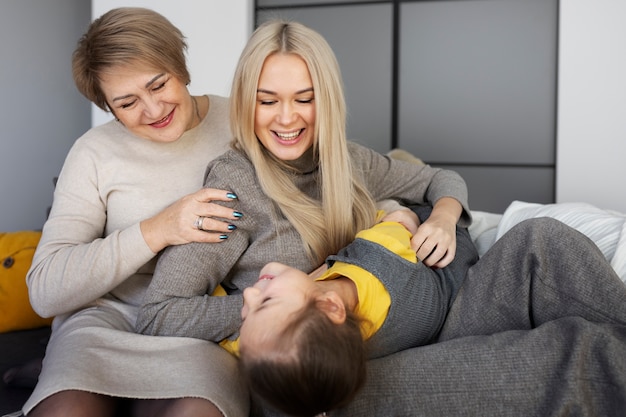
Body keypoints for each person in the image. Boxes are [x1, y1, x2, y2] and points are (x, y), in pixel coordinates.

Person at [135, 19, 472, 356]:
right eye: (267, 102)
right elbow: (159, 315)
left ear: (326, 100)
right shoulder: (234, 187)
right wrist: (281, 305)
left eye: (304, 99)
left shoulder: (346, 160)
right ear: (246, 105)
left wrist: (443, 218)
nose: (286, 118)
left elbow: (438, 179)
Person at [20, 7, 247, 417]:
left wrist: (398, 214)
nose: (153, 109)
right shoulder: (94, 152)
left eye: (158, 84)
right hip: (105, 323)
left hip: (198, 323)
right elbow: (45, 290)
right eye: (127, 103)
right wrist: (157, 229)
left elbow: (334, 177)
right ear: (109, 108)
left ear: (181, 68)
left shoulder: (242, 122)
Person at [239, 216, 626, 416]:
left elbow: (430, 184)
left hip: (445, 314)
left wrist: (431, 214)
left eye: (302, 98)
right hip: (327, 390)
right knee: (584, 358)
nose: (249, 292)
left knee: (539, 241)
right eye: (261, 303)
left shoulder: (353, 177)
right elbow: (177, 310)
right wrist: (172, 228)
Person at [237, 204, 478, 416]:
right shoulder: (381, 253)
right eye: (266, 301)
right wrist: (407, 219)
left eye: (244, 317)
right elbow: (401, 219)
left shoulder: (283, 346)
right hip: (445, 252)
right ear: (330, 306)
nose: (248, 295)